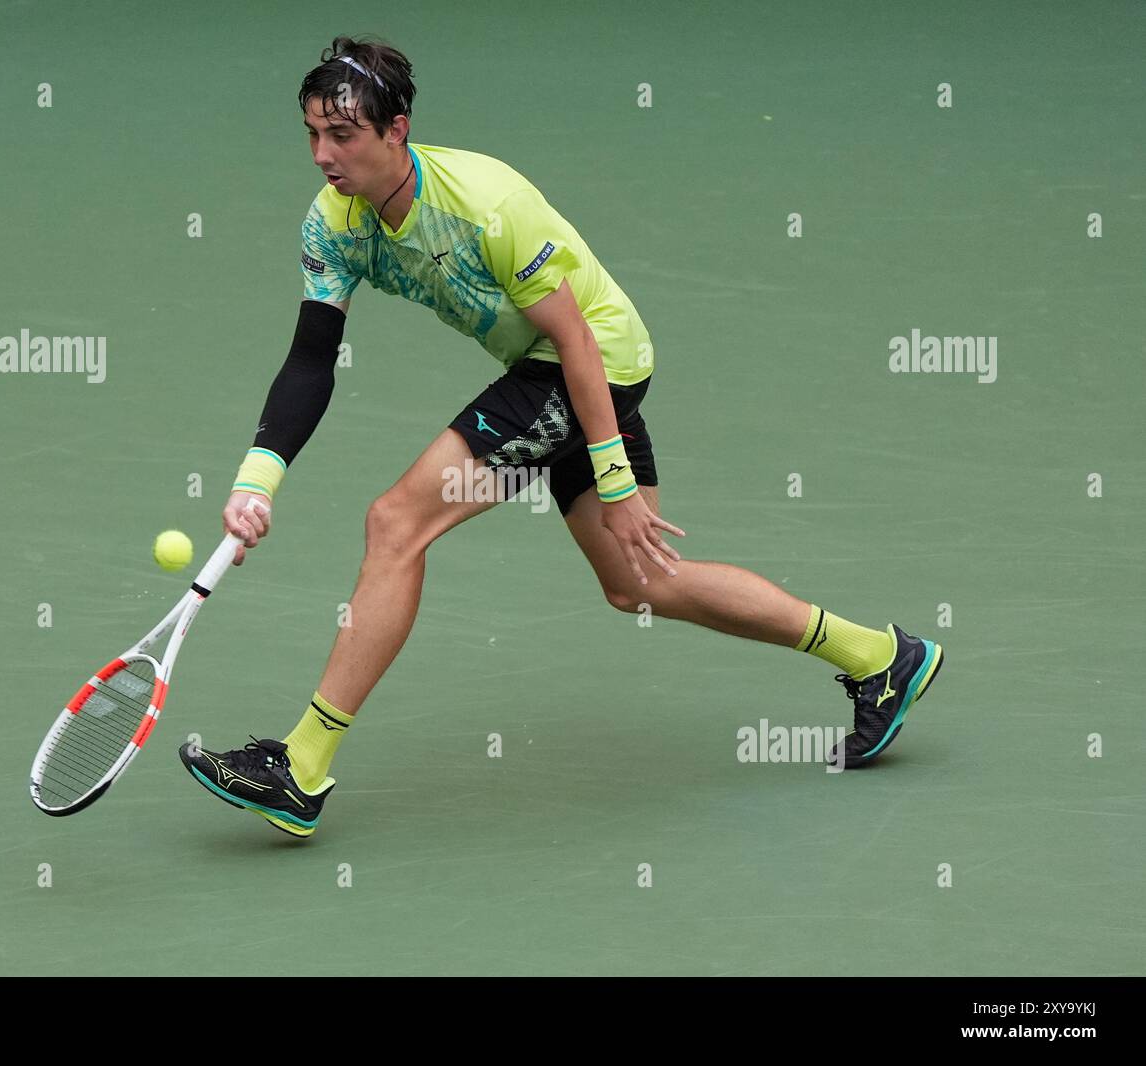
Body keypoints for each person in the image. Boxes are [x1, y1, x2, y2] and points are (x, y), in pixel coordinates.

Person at [179, 36, 945, 837]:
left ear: (396, 129)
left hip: (589, 366)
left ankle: (302, 766)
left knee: (395, 522)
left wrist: (612, 481)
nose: (321, 155)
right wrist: (256, 480)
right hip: (558, 374)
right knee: (638, 584)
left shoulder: (485, 203)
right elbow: (310, 361)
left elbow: (577, 339)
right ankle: (878, 657)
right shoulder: (333, 223)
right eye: (311, 134)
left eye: (341, 136)